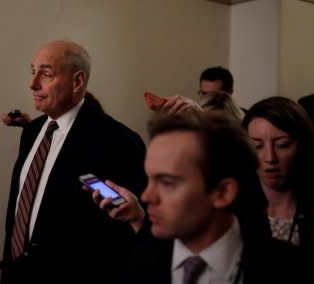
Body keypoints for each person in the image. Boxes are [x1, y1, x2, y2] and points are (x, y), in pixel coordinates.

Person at [1, 40, 147, 283]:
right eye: (32, 72)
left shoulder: (119, 141)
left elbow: (129, 236)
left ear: (77, 81)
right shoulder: (31, 132)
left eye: (45, 74)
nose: (32, 84)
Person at [120, 110, 303, 283]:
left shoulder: (289, 269)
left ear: (223, 193)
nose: (146, 196)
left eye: (167, 183)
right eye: (150, 179)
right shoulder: (139, 265)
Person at [242, 96, 314, 259]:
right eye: (257, 146)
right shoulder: (234, 211)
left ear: (303, 146)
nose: (270, 158)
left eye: (282, 145)